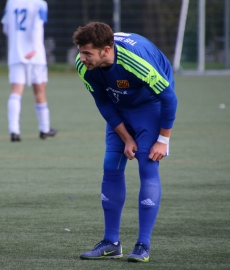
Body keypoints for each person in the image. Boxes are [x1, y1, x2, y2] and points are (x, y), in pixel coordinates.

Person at [72, 22, 177, 262]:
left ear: (106, 50)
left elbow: (169, 97)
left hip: (150, 104)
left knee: (147, 164)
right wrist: (126, 137)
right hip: (119, 105)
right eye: (80, 51)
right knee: (111, 165)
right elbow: (103, 103)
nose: (82, 57)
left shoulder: (134, 61)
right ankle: (111, 243)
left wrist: (163, 139)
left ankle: (143, 245)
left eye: (87, 52)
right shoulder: (83, 65)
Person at [1, 0, 57, 142]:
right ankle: (44, 129)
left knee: (16, 91)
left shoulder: (11, 3)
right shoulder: (40, 3)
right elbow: (38, 25)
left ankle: (14, 131)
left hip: (15, 53)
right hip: (35, 54)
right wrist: (33, 48)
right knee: (39, 90)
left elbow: (6, 29)